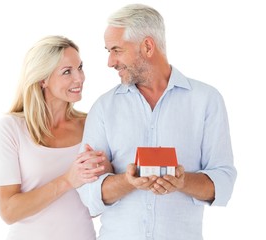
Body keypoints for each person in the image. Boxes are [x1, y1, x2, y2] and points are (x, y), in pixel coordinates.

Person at [77, 4, 237, 240]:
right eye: (108, 51)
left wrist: (182, 182)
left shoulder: (206, 100)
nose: (110, 62)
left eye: (117, 50)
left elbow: (223, 182)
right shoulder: (103, 107)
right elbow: (89, 195)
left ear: (148, 46)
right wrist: (128, 181)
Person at [0, 35, 111, 240]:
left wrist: (107, 171)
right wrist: (67, 180)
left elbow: (100, 201)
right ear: (42, 79)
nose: (79, 78)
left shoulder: (91, 124)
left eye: (80, 67)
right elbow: (8, 211)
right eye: (67, 72)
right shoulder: (11, 128)